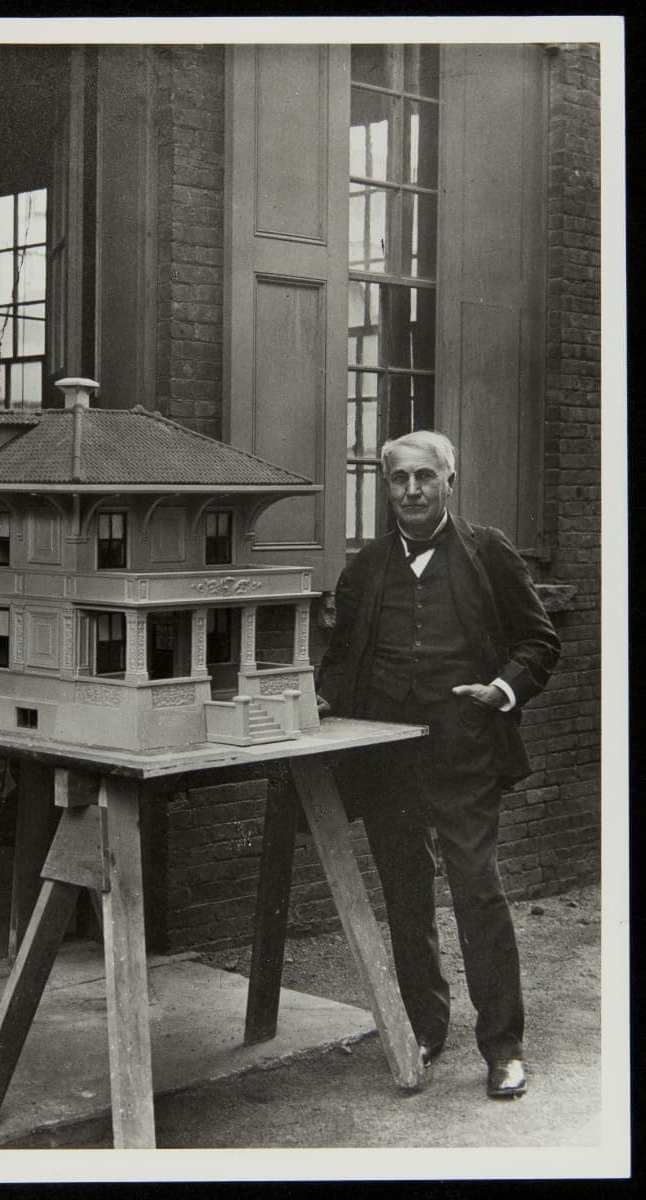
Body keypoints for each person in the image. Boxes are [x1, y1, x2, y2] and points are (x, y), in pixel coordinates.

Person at [317, 430, 560, 1099]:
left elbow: (538, 640)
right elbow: (339, 661)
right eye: (399, 479)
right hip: (387, 756)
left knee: (476, 890)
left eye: (425, 477)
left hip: (465, 751)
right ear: (385, 485)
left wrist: (501, 689)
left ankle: (502, 1046)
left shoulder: (488, 553)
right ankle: (424, 1026)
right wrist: (318, 697)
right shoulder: (364, 568)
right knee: (404, 894)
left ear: (450, 480)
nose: (412, 490)